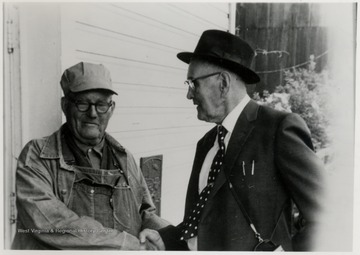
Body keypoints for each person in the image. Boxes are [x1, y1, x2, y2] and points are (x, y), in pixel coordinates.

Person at [154, 29, 325, 251]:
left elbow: (329, 215)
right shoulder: (206, 144)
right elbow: (200, 221)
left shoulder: (277, 129)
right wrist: (166, 239)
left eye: (193, 84)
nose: (189, 94)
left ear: (223, 83)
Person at [11, 62, 168, 250]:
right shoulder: (37, 156)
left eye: (101, 104)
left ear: (112, 108)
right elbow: (52, 224)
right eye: (83, 103)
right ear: (65, 106)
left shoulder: (124, 158)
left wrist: (171, 237)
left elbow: (144, 213)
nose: (92, 113)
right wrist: (127, 244)